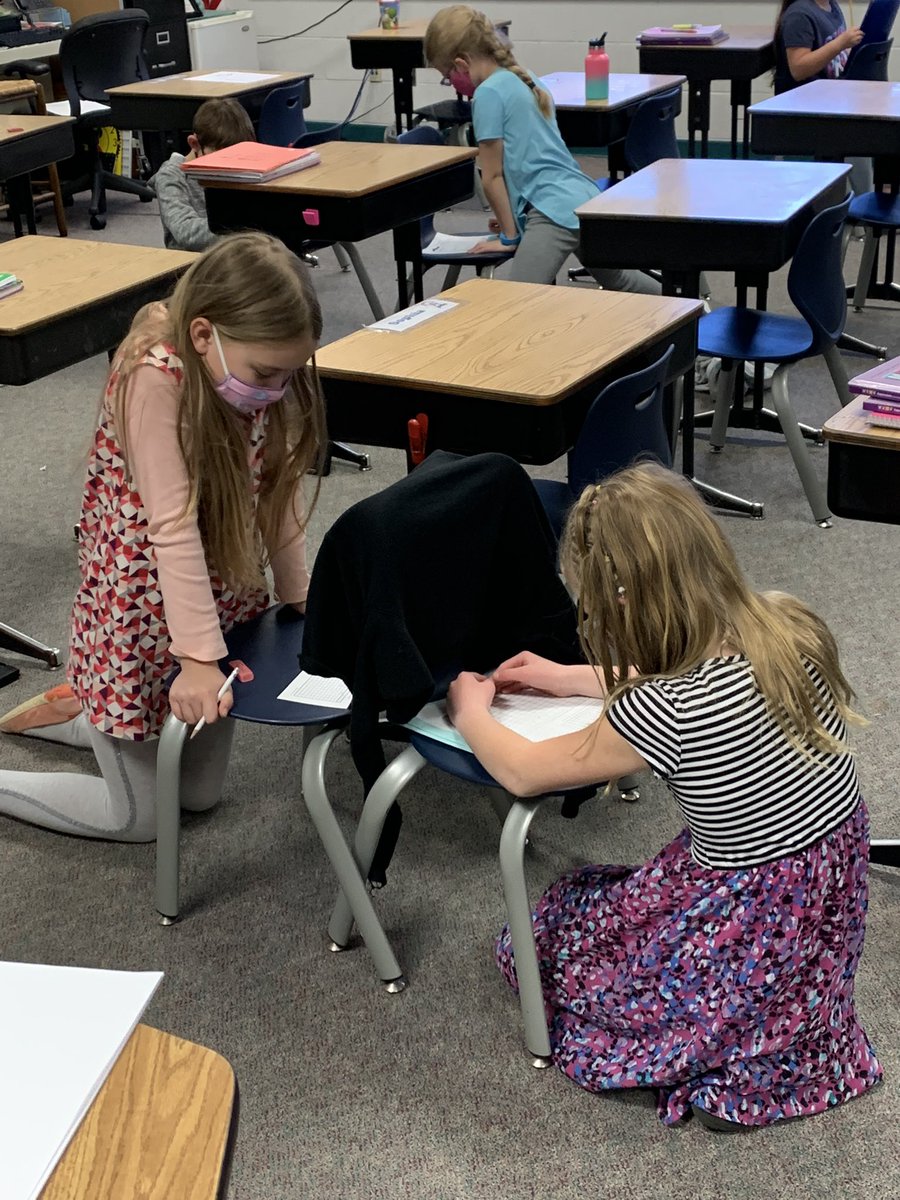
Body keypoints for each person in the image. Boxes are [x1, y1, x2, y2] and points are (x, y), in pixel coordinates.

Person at [447, 463, 882, 1130]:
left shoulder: (665, 710)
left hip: (752, 901)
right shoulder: (786, 622)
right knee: (605, 918)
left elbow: (527, 771)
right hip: (827, 876)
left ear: (622, 601)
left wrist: (471, 710)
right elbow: (691, 661)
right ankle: (779, 1025)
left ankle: (745, 1045)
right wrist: (572, 677)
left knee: (556, 947)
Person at [0, 232, 326, 842]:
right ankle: (89, 718)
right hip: (138, 605)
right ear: (204, 336)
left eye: (289, 373)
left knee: (199, 798)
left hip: (220, 593)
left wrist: (297, 591)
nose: (277, 390)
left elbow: (280, 487)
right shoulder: (153, 379)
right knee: (142, 820)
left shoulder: (256, 372)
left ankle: (82, 716)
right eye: (267, 373)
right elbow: (173, 530)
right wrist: (198, 660)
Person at [423, 6, 660, 294]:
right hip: (580, 199)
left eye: (447, 76)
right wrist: (512, 216)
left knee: (521, 299)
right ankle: (689, 308)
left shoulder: (486, 94)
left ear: (462, 64)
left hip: (550, 211)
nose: (451, 85)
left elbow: (492, 176)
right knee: (620, 280)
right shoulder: (525, 77)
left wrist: (509, 237)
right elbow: (531, 159)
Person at [773, 0, 871, 194]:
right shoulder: (799, 14)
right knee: (858, 133)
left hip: (830, 102)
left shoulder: (831, 7)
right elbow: (798, 68)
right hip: (804, 111)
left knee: (864, 130)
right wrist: (840, 43)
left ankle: (862, 208)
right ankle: (859, 209)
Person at [150, 97, 255, 252]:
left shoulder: (238, 168)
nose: (229, 167)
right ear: (194, 144)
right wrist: (247, 229)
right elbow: (186, 233)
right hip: (193, 266)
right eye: (222, 158)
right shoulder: (171, 175)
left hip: (232, 256)